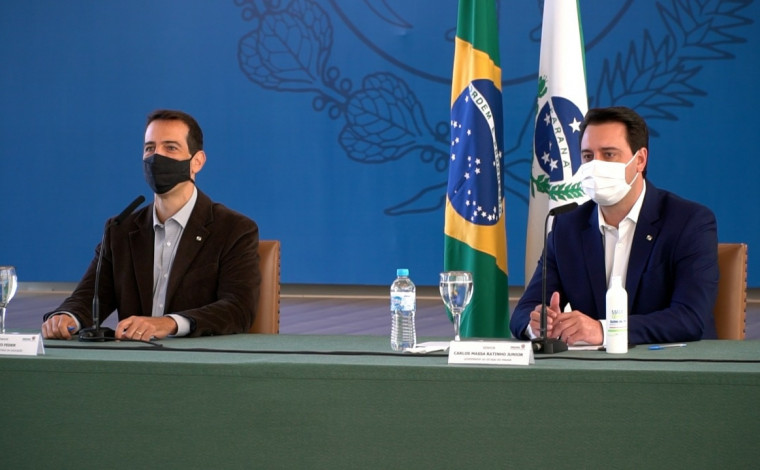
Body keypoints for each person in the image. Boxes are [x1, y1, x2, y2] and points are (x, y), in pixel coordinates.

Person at [42, 109, 261, 340]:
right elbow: (89, 297)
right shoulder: (120, 229)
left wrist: (169, 324)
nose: (157, 157)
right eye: (149, 148)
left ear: (197, 162)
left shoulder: (234, 229)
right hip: (134, 357)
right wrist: (67, 317)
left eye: (170, 148)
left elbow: (238, 308)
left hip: (200, 356)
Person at [510, 106, 718, 345]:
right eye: (588, 156)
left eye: (609, 154)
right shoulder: (566, 227)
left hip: (674, 363)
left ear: (640, 160)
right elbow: (523, 312)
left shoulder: (688, 222)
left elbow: (690, 317)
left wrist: (604, 330)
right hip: (592, 366)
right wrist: (538, 324)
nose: (595, 165)